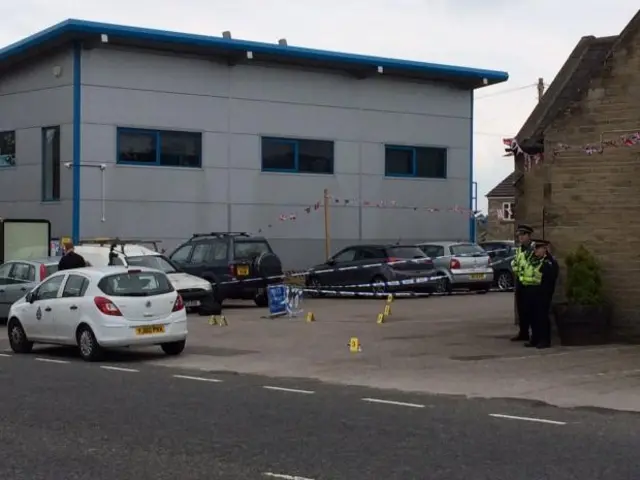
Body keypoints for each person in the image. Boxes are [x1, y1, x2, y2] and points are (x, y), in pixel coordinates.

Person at [527, 239, 559, 349]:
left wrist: (544, 293)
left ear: (545, 249)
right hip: (534, 292)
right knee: (533, 317)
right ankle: (535, 338)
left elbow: (550, 279)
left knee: (542, 317)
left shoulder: (549, 262)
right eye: (535, 248)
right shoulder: (536, 261)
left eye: (537, 248)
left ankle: (545, 340)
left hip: (543, 294)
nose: (535, 250)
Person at [511, 224, 535, 342]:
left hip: (531, 283)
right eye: (519, 235)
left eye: (523, 235)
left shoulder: (533, 248)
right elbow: (515, 262)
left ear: (529, 236)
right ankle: (523, 332)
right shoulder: (520, 249)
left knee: (531, 310)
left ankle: (533, 334)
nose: (520, 237)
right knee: (521, 309)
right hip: (521, 281)